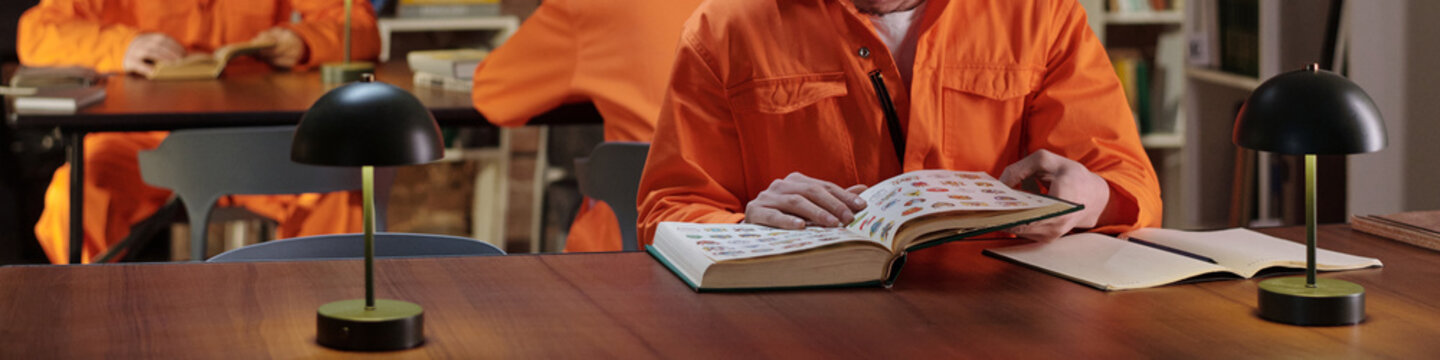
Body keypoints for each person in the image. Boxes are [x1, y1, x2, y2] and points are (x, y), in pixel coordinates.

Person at [637, 0, 1163, 246]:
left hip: (1009, 324)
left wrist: (1093, 198)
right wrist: (747, 230)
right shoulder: (721, 30)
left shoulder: (1042, 14)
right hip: (802, 328)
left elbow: (1131, 186)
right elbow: (667, 214)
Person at [18, 0, 381, 263]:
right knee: (76, 198)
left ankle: (311, 326)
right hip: (145, 140)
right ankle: (92, 329)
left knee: (341, 190)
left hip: (257, 137)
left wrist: (303, 41)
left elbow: (360, 26)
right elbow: (35, 32)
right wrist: (120, 46)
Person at [471, 0, 705, 252]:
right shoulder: (739, 8)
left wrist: (581, 80)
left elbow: (492, 94)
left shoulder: (587, 6)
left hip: (626, 244)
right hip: (735, 241)